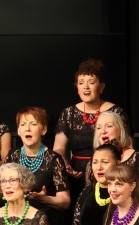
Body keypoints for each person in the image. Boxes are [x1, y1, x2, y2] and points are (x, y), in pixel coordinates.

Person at [52, 58, 125, 192]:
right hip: (77, 174)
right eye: (81, 83)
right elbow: (58, 148)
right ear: (77, 88)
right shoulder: (69, 113)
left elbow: (127, 146)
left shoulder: (116, 112)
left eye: (91, 82)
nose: (85, 87)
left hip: (108, 173)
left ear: (101, 87)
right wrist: (66, 166)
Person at [93, 109, 139, 209]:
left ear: (121, 129)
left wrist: (136, 212)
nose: (103, 131)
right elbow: (89, 195)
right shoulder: (92, 163)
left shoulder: (137, 159)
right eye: (98, 128)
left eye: (109, 126)